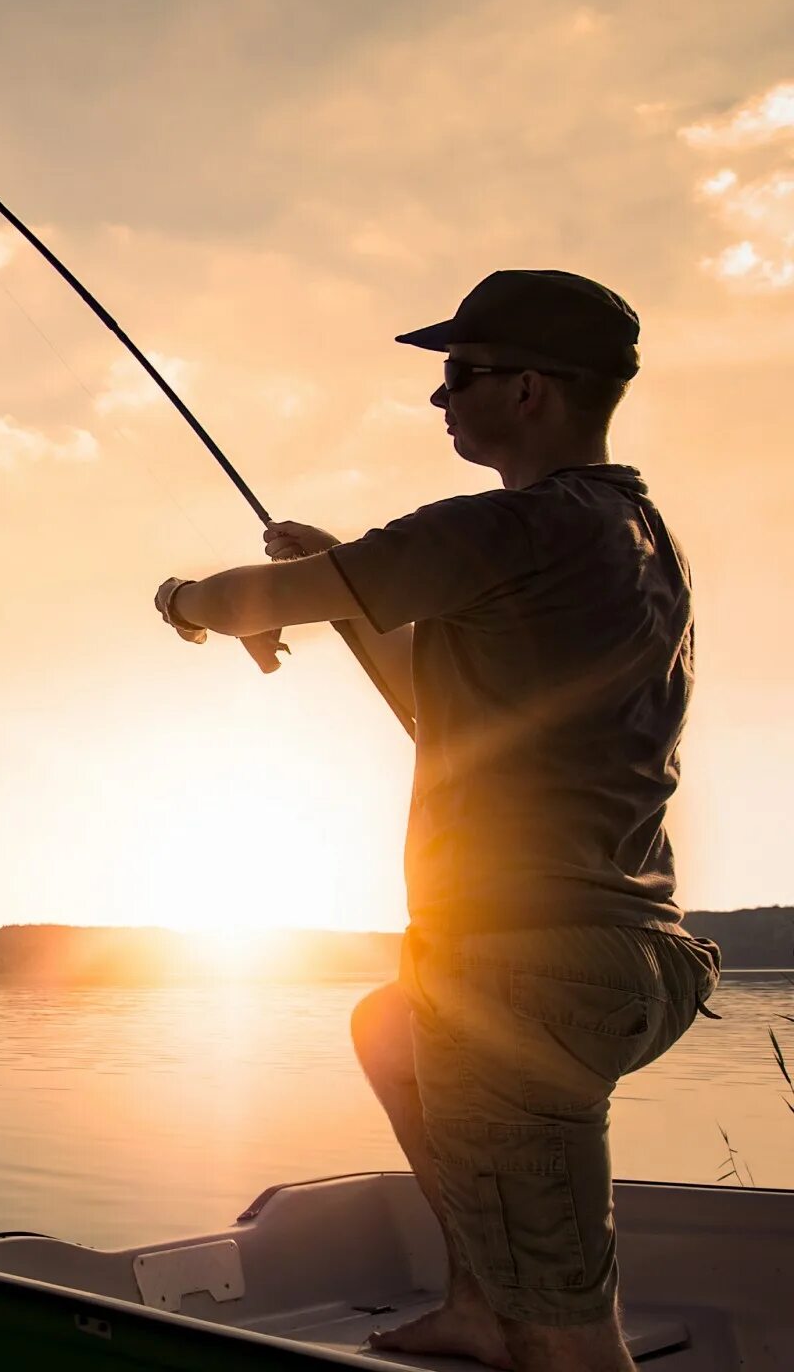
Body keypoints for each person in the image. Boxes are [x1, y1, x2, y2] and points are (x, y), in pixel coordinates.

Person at [147, 269, 721, 1372]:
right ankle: (474, 1301)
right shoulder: (636, 539)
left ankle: (524, 1318)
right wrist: (348, 589)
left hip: (524, 972)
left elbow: (239, 603)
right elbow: (432, 701)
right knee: (391, 1027)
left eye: (459, 375)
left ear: (531, 393)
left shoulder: (510, 525)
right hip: (640, 963)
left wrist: (184, 602)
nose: (440, 399)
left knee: (570, 1344)